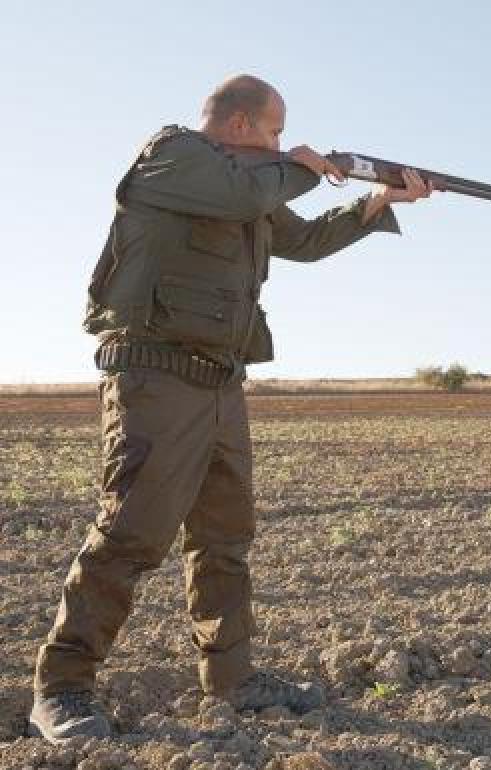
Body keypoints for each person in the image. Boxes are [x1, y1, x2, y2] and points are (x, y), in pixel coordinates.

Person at [29, 74, 434, 743]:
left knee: (224, 538)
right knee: (131, 532)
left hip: (221, 381)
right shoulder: (174, 155)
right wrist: (301, 164)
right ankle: (62, 687)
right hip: (155, 376)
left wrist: (377, 199)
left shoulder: (251, 189)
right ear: (242, 125)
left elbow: (299, 241)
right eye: (273, 132)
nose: (280, 143)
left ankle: (233, 679)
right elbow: (245, 190)